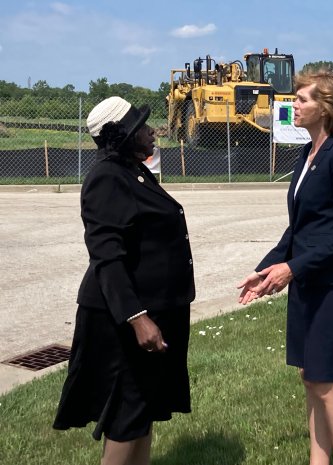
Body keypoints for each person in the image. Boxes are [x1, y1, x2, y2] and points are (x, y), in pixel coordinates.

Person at [53, 96, 195, 465]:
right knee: (126, 415)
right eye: (142, 128)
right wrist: (138, 318)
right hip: (122, 320)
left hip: (154, 307)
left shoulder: (132, 169)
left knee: (142, 409)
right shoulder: (106, 177)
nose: (151, 132)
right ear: (122, 137)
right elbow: (106, 256)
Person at [237, 70, 333, 465]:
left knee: (326, 380)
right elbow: (300, 227)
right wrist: (269, 268)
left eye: (302, 99)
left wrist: (292, 269)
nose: (294, 105)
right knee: (310, 376)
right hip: (306, 278)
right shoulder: (306, 155)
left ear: (326, 108)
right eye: (294, 99)